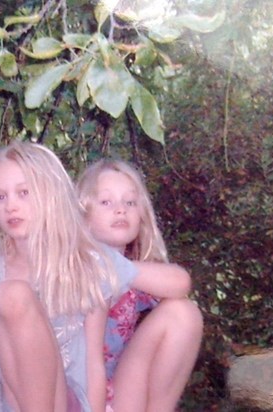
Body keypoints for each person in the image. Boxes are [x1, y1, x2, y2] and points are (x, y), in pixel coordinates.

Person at [0, 141, 192, 412]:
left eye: (24, 193)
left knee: (13, 295)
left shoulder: (85, 265)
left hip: (64, 401)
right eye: (0, 197)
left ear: (51, 194)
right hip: (5, 399)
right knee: (10, 294)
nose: (11, 206)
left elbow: (92, 362)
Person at [77, 159, 204, 412]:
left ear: (141, 215)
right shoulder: (74, 267)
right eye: (106, 202)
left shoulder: (131, 273)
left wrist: (116, 266)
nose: (120, 210)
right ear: (83, 215)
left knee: (183, 313)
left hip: (119, 390)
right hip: (76, 393)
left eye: (130, 202)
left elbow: (181, 282)